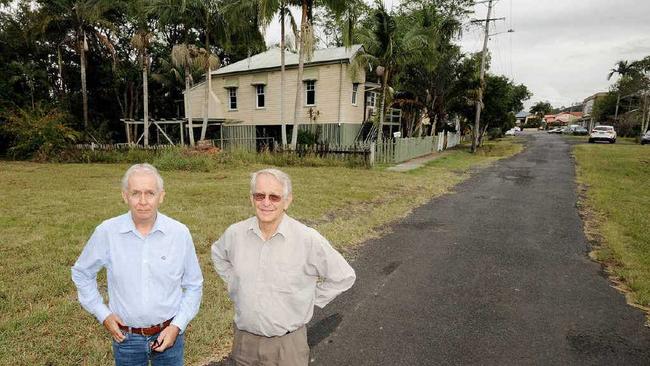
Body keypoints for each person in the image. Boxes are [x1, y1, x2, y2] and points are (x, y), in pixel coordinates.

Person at [211, 168, 356, 366]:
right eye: (259, 195)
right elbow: (218, 254)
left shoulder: (307, 239)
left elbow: (343, 276)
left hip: (287, 348)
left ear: (287, 201)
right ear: (251, 199)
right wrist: (235, 282)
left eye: (275, 197)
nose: (266, 202)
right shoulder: (235, 234)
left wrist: (309, 299)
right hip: (244, 343)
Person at [71, 163, 203, 366]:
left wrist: (177, 326)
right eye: (135, 193)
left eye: (150, 193)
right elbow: (81, 273)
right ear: (125, 196)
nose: (143, 201)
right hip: (126, 338)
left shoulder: (179, 234)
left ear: (161, 196)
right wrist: (103, 314)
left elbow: (194, 285)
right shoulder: (107, 232)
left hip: (169, 334)